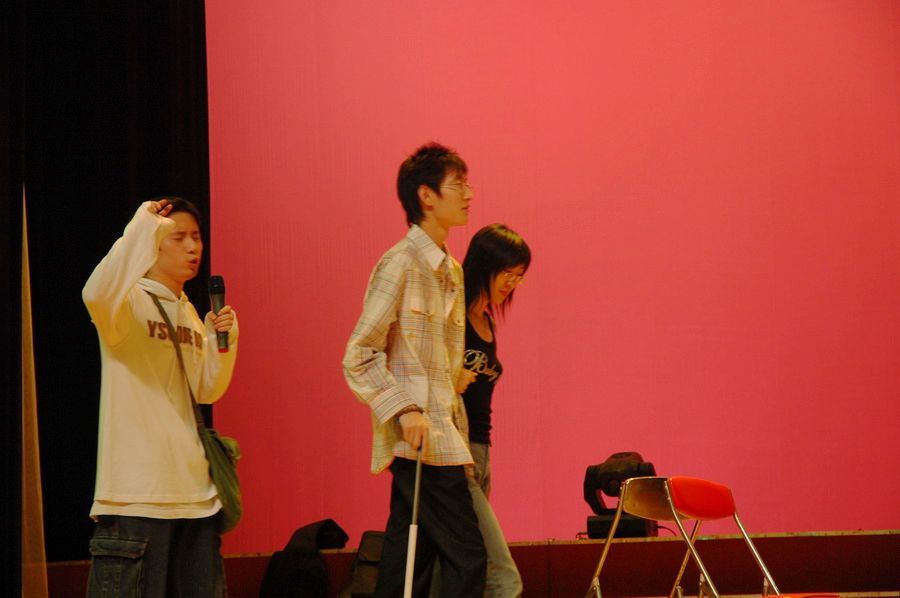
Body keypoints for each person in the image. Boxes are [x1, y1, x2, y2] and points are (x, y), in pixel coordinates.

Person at [343, 142, 487, 597]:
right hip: (419, 440)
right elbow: (360, 353)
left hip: (441, 437)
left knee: (409, 562)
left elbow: (442, 373)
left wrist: (460, 439)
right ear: (426, 195)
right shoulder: (400, 263)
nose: (469, 194)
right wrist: (404, 410)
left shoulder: (452, 271)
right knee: (468, 558)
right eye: (458, 185)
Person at [82, 197, 239, 597]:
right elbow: (95, 293)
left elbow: (207, 389)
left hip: (196, 497)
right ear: (152, 242)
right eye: (179, 237)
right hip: (138, 496)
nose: (192, 247)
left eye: (197, 237)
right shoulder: (127, 301)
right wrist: (142, 225)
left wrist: (223, 343)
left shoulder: (188, 312)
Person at [460, 223, 531, 597]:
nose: (512, 283)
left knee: (468, 568)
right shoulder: (453, 315)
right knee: (501, 576)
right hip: (457, 453)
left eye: (519, 276)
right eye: (507, 272)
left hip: (481, 451)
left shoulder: (486, 319)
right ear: (484, 264)